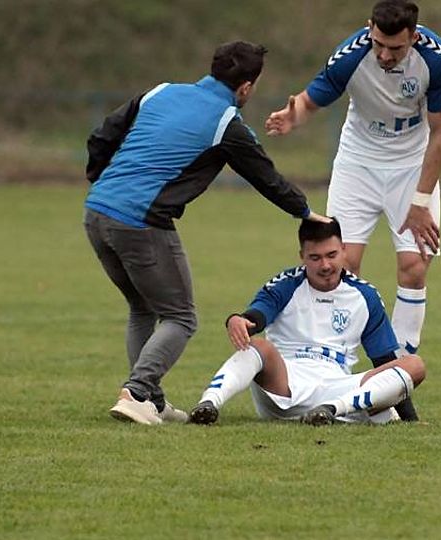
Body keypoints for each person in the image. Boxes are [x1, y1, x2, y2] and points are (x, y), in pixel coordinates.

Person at [84, 41, 327, 425]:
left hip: (96, 212)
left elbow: (102, 135)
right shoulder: (226, 123)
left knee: (143, 307)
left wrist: (103, 182)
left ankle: (153, 401)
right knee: (181, 317)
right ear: (246, 87)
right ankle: (137, 393)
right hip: (140, 223)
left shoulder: (161, 92)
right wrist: (307, 213)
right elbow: (265, 177)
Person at [263, 0, 441, 421]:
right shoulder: (351, 55)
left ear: (414, 36)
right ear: (369, 29)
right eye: (379, 44)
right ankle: (335, 371)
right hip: (358, 164)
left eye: (396, 48)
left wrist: (421, 202)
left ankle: (397, 380)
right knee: (342, 264)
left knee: (414, 266)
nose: (385, 55)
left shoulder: (436, 61)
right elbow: (311, 98)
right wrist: (292, 117)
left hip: (411, 167)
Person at [188, 218, 426, 426]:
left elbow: (384, 360)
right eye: (315, 258)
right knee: (258, 346)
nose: (325, 265)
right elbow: (257, 315)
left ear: (344, 250)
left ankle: (330, 410)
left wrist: (410, 421)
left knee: (413, 365)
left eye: (331, 255)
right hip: (284, 386)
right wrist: (238, 320)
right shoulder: (285, 284)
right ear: (302, 256)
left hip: (339, 388)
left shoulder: (365, 295)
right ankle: (208, 404)